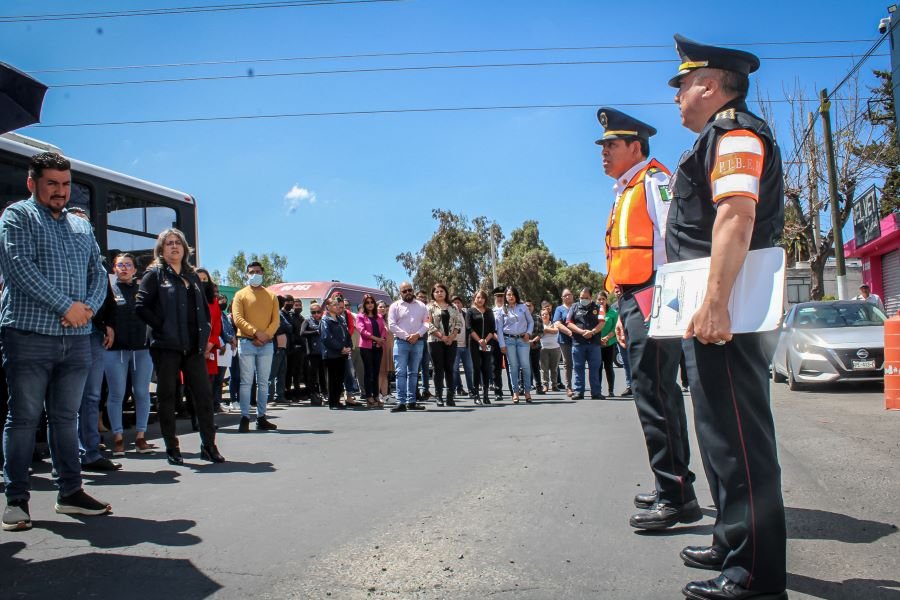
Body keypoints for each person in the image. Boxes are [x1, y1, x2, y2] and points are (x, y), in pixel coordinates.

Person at [667, 35, 787, 600]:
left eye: (683, 85)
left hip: (728, 308)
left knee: (740, 438)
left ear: (710, 85)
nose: (676, 96)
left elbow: (736, 217)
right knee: (718, 435)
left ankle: (755, 574)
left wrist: (715, 301)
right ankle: (731, 540)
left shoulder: (736, 134)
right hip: (710, 308)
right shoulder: (715, 138)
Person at [596, 106, 699, 530]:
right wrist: (622, 310)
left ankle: (676, 496)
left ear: (635, 147)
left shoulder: (653, 182)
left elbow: (675, 243)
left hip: (655, 299)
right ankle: (673, 486)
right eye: (602, 147)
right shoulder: (626, 189)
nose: (603, 153)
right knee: (656, 394)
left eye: (611, 145)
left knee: (655, 395)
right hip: (635, 301)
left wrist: (665, 307)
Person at [1, 152, 112, 530]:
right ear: (32, 183)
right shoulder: (17, 216)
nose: (60, 191)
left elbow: (98, 273)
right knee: (23, 418)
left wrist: (88, 309)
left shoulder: (81, 226)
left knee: (66, 419)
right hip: (28, 334)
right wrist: (67, 306)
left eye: (65, 185)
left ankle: (70, 493)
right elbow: (19, 268)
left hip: (77, 338)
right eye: (52, 183)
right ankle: (17, 500)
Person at [135, 229, 224, 466]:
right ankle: (172, 447)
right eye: (169, 243)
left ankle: (209, 446)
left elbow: (204, 309)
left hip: (193, 347)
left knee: (203, 396)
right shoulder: (154, 274)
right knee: (168, 396)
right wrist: (162, 326)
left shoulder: (192, 276)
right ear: (161, 249)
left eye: (178, 243)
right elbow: (141, 306)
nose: (174, 246)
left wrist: (205, 335)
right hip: (166, 347)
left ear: (185, 248)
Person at [104, 252, 156, 455]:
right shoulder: (108, 289)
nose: (124, 268)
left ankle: (141, 437)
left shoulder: (143, 290)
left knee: (141, 393)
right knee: (116, 394)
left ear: (135, 269)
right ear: (114, 269)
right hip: (115, 351)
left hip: (142, 350)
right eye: (120, 265)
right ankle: (118, 438)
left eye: (128, 265)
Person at [231, 262, 279, 432]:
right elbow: (238, 318)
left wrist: (266, 335)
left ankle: (261, 417)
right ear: (247, 274)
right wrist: (255, 333)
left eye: (258, 271)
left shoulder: (271, 296)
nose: (254, 274)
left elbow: (276, 320)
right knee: (246, 381)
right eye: (251, 272)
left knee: (263, 382)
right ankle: (245, 417)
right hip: (246, 342)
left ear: (263, 273)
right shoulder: (240, 295)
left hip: (266, 344)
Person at [387, 282, 429, 412]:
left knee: (414, 373)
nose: (407, 293)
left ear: (413, 290)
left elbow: (427, 323)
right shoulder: (395, 306)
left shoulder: (422, 306)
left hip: (418, 342)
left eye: (409, 290)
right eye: (404, 291)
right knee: (400, 373)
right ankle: (401, 401)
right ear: (400, 293)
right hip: (401, 342)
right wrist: (407, 336)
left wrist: (417, 335)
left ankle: (412, 401)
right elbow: (391, 325)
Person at [426, 283, 464, 407]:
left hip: (451, 341)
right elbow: (428, 324)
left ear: (446, 293)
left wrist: (451, 337)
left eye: (441, 291)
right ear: (433, 294)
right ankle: (439, 396)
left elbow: (459, 323)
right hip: (435, 341)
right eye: (436, 291)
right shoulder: (429, 307)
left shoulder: (453, 307)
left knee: (449, 368)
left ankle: (450, 396)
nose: (439, 293)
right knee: (438, 369)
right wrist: (441, 337)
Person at [566, 287, 605, 400]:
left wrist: (592, 332)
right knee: (578, 368)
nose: (583, 299)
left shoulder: (599, 307)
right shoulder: (574, 307)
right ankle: (579, 391)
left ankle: (596, 392)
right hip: (578, 343)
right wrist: (581, 332)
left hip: (594, 343)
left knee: (595, 368)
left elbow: (602, 323)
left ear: (591, 297)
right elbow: (568, 323)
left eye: (586, 298)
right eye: (581, 297)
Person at [498, 286, 534, 403]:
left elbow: (531, 322)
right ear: (505, 296)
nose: (511, 296)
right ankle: (515, 392)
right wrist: (502, 344)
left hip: (523, 340)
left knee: (525, 365)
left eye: (513, 294)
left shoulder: (523, 307)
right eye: (508, 294)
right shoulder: (502, 310)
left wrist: (528, 333)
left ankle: (527, 391)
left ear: (516, 296)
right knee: (513, 366)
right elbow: (499, 329)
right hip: (509, 340)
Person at [320, 297, 352, 410]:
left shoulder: (341, 319)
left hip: (342, 354)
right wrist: (340, 348)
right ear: (327, 307)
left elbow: (347, 334)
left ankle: (337, 400)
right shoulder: (325, 320)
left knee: (339, 378)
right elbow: (327, 337)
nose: (337, 307)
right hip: (331, 354)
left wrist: (348, 347)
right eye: (334, 305)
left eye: (337, 305)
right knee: (333, 378)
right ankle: (333, 402)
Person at [467, 290, 498, 405]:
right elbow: (469, 328)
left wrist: (485, 340)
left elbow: (492, 329)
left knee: (486, 368)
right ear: (474, 298)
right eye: (478, 297)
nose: (480, 300)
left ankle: (486, 395)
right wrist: (479, 340)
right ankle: (476, 395)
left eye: (482, 298)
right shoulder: (470, 311)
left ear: (485, 299)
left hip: (487, 343)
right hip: (475, 343)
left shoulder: (489, 312)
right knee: (476, 368)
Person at [356, 294, 386, 408]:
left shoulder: (379, 316)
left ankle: (376, 395)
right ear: (364, 304)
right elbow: (362, 331)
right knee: (369, 372)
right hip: (366, 347)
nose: (370, 304)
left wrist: (381, 340)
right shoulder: (360, 316)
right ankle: (369, 396)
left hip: (378, 347)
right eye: (367, 302)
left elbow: (383, 330)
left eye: (372, 302)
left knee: (376, 372)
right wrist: (376, 339)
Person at [267, 295, 292, 406]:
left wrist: (283, 328)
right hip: (275, 348)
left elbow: (288, 327)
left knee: (281, 374)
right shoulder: (272, 314)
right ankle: (269, 397)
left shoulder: (280, 314)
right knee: (271, 374)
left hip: (283, 348)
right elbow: (277, 328)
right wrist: (282, 328)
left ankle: (280, 396)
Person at [300, 302, 326, 405]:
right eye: (313, 312)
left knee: (323, 374)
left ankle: (325, 393)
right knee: (313, 375)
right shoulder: (307, 321)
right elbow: (302, 333)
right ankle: (314, 394)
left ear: (321, 312)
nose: (316, 314)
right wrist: (315, 332)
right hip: (312, 352)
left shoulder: (324, 321)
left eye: (318, 312)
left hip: (323, 352)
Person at [552, 289, 576, 396]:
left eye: (569, 294)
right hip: (565, 340)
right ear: (562, 298)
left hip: (578, 339)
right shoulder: (559, 309)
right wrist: (569, 332)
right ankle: (569, 387)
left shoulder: (576, 307)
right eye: (565, 295)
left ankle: (579, 386)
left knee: (579, 363)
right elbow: (557, 324)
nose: (567, 297)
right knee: (568, 363)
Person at [451, 295, 474, 398]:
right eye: (454, 302)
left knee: (469, 369)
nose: (457, 304)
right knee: (454, 369)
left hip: (466, 346)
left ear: (462, 304)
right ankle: (456, 389)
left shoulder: (466, 314)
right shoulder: (450, 315)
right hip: (454, 346)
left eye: (458, 302)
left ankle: (471, 390)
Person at [596, 292, 618, 397]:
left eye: (603, 299)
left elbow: (615, 328)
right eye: (599, 299)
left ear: (606, 300)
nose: (601, 301)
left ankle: (611, 390)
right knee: (598, 368)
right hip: (597, 344)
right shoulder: (594, 312)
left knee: (608, 367)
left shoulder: (613, 312)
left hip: (609, 343)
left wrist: (607, 338)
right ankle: (598, 390)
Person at [414, 289, 433, 400]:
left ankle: (426, 390)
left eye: (424, 297)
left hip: (427, 341)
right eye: (420, 297)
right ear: (416, 297)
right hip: (416, 341)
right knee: (415, 368)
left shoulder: (427, 309)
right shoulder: (413, 309)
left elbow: (429, 324)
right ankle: (415, 391)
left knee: (425, 367)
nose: (422, 299)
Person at [376, 300, 395, 404]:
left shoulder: (386, 320)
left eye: (384, 307)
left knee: (385, 373)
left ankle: (385, 395)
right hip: (381, 349)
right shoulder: (376, 319)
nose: (383, 309)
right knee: (380, 372)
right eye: (380, 307)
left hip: (388, 349)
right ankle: (377, 395)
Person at [539, 305, 561, 394]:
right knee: (544, 369)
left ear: (549, 315)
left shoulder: (554, 323)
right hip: (543, 348)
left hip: (555, 348)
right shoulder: (540, 325)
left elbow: (556, 331)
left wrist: (545, 330)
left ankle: (554, 385)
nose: (545, 316)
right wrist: (548, 330)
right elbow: (540, 334)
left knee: (554, 368)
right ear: (541, 316)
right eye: (543, 314)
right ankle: (545, 385)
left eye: (546, 314)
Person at [490, 287, 507, 401]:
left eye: (502, 296)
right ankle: (498, 391)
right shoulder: (491, 312)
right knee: (496, 367)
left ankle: (514, 390)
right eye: (498, 296)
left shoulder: (509, 310)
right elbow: (490, 329)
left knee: (512, 366)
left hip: (509, 339)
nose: (500, 298)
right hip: (496, 341)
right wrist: (499, 340)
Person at [525, 300, 543, 393]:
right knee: (524, 367)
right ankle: (523, 386)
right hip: (523, 346)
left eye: (530, 306)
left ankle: (539, 386)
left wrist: (534, 341)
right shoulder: (521, 318)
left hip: (535, 346)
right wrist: (527, 341)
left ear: (533, 307)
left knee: (536, 367)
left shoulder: (538, 318)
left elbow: (541, 332)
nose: (528, 308)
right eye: (526, 306)